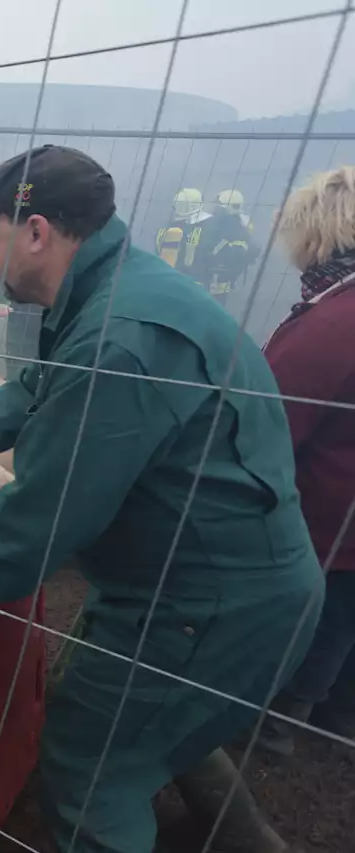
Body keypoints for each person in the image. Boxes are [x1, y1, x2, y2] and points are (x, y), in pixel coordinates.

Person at [0, 145, 322, 853]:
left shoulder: (115, 340)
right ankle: (248, 839)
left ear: (36, 232)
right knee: (145, 721)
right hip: (209, 584)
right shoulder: (114, 294)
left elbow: (43, 515)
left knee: (90, 769)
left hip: (208, 606)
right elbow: (39, 389)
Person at [258, 166, 355, 756]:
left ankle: (283, 718)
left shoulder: (334, 319)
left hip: (330, 511)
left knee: (324, 612)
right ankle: (335, 713)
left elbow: (274, 422)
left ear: (315, 235)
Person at [0, 275, 40, 375]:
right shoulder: (20, 264)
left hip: (59, 331)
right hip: (21, 335)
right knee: (18, 375)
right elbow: (6, 274)